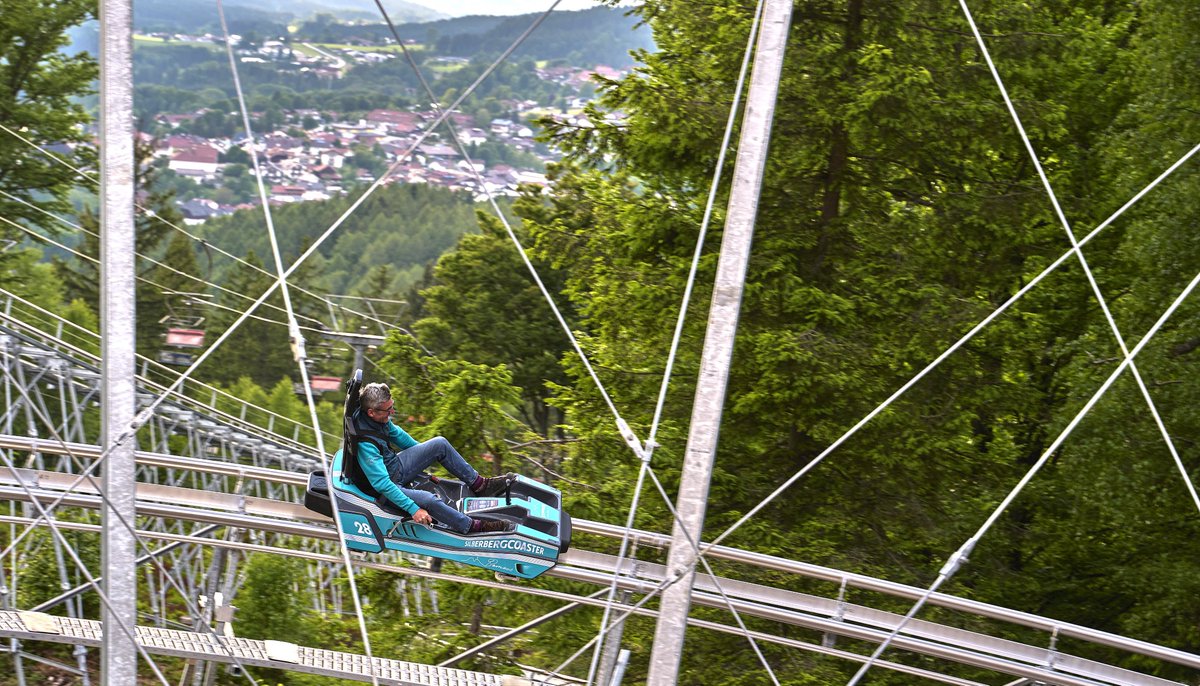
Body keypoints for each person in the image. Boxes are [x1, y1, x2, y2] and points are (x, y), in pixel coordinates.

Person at [353, 382, 515, 534]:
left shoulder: (379, 418)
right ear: (371, 412)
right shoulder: (365, 443)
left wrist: (425, 454)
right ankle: (472, 526)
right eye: (388, 410)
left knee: (439, 444)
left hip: (395, 467)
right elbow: (383, 485)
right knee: (428, 500)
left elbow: (401, 437)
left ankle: (481, 485)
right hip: (386, 488)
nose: (392, 412)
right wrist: (413, 509)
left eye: (392, 407)